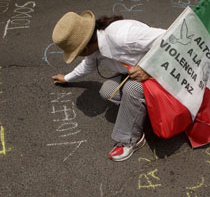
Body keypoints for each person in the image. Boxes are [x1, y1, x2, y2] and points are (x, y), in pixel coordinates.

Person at [51, 10, 166, 162]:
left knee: (131, 89)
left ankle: (132, 140)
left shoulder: (123, 36)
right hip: (138, 76)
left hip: (163, 74)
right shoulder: (96, 44)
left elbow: (170, 39)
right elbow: (87, 66)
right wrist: (67, 78)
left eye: (77, 53)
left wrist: (148, 68)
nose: (79, 56)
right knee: (108, 90)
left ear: (84, 49)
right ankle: (140, 113)